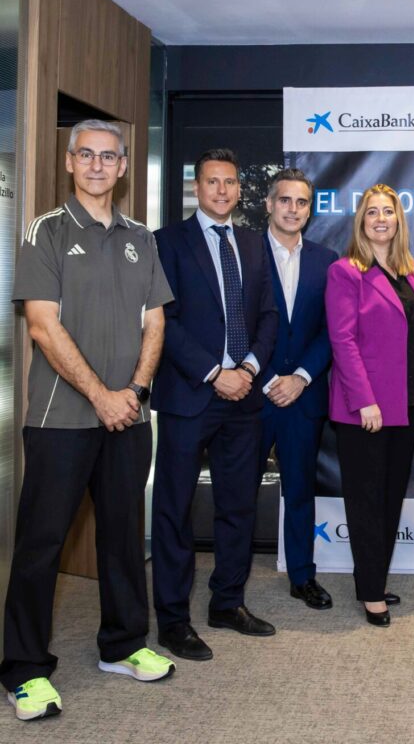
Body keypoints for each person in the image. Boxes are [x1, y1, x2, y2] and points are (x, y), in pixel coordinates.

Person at [1, 120, 175, 721]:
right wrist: (101, 396)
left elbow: (155, 321)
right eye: (87, 155)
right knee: (41, 543)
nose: (98, 165)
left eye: (109, 156)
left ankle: (123, 645)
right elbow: (42, 325)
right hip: (61, 419)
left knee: (124, 537)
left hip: (129, 416)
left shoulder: (141, 238)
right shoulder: (46, 231)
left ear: (124, 166)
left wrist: (135, 392)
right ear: (69, 161)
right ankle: (24, 670)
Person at [152, 148, 279, 661]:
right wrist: (214, 372)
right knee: (174, 509)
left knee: (238, 506)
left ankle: (227, 602)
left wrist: (247, 369)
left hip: (243, 398)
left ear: (239, 190)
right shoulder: (167, 242)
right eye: (212, 182)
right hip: (190, 395)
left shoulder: (253, 242)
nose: (222, 190)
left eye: (230, 182)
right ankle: (172, 620)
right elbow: (163, 321)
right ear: (196, 187)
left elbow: (269, 316)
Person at [325, 184, 414, 628]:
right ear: (361, 221)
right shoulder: (345, 272)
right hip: (364, 411)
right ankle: (370, 592)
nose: (381, 219)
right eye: (372, 212)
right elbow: (343, 341)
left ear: (398, 220)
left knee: (388, 500)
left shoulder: (410, 271)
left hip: (406, 406)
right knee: (366, 502)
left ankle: (374, 578)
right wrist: (365, 400)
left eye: (388, 211)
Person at [257, 169, 338, 610]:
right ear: (269, 204)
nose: (293, 209)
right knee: (238, 491)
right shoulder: (245, 252)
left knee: (301, 490)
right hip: (253, 393)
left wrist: (301, 377)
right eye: (285, 200)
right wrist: (269, 377)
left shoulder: (327, 260)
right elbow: (235, 323)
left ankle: (302, 576)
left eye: (301, 202)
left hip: (303, 395)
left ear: (310, 209)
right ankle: (231, 583)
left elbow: (332, 329)